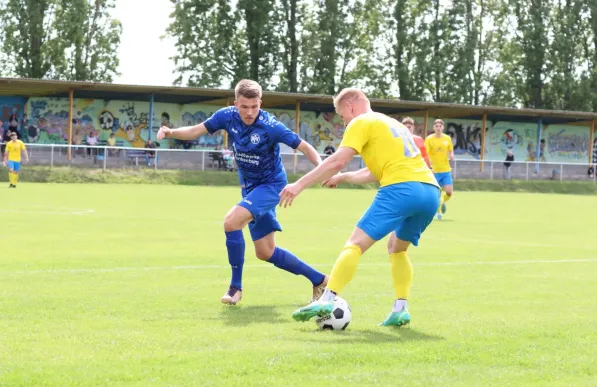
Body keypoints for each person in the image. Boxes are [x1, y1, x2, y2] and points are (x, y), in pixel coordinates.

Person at [157, 79, 329, 305]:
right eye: (244, 106)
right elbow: (196, 131)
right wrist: (169, 132)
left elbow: (305, 147)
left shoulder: (271, 126)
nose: (250, 112)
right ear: (236, 103)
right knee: (265, 252)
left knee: (231, 222)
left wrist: (322, 169)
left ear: (260, 103)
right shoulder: (226, 116)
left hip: (271, 186)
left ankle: (235, 288)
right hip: (250, 188)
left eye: (254, 107)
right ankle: (320, 280)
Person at [279, 88, 440, 326]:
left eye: (342, 117)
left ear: (350, 107)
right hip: (430, 192)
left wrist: (300, 184)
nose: (344, 123)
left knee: (355, 244)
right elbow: (374, 172)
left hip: (401, 189)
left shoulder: (361, 121)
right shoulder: (391, 123)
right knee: (397, 247)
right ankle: (401, 309)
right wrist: (343, 178)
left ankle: (327, 298)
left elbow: (338, 159)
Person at [425, 119, 454, 220]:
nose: (438, 128)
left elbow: (451, 150)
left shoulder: (447, 138)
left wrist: (451, 155)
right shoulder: (429, 139)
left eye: (440, 126)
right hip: (434, 171)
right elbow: (426, 154)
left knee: (449, 192)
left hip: (445, 170)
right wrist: (429, 166)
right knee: (437, 193)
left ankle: (442, 202)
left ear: (443, 127)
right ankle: (438, 213)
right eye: (436, 126)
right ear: (434, 128)